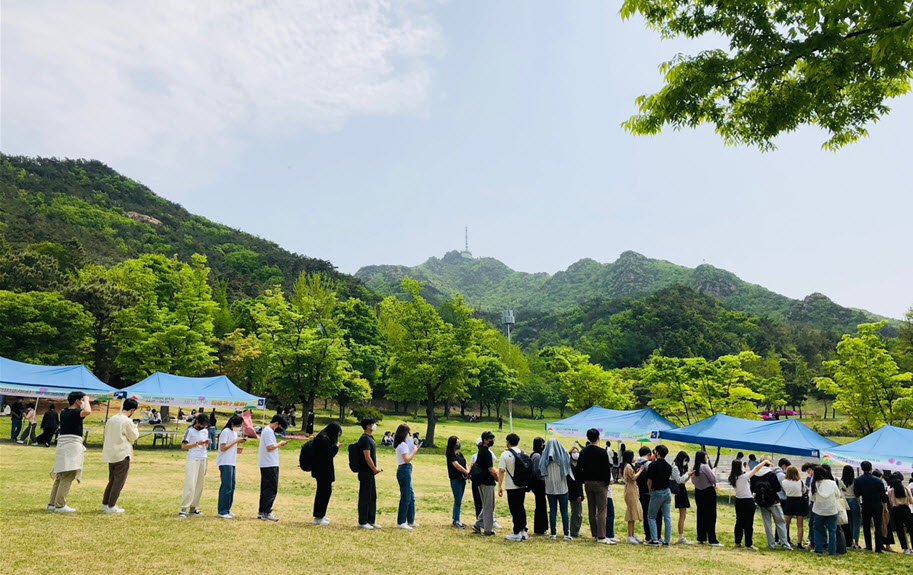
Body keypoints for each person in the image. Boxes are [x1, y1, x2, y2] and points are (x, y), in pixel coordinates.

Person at [47, 392, 92, 512]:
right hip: (71, 445)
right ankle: (60, 505)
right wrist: (86, 400)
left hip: (63, 444)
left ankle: (52, 503)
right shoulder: (75, 412)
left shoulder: (64, 411)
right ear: (78, 401)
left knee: (60, 475)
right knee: (68, 474)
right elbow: (87, 411)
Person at [100, 398, 140, 513]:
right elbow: (133, 437)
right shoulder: (127, 421)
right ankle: (111, 506)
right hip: (122, 453)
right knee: (119, 481)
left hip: (111, 453)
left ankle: (105, 504)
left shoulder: (111, 419)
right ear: (132, 410)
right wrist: (136, 429)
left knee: (112, 480)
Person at [576, 428, 613, 544]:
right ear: (598, 438)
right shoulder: (602, 452)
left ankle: (595, 533)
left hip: (588, 483)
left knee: (591, 509)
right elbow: (607, 469)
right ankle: (602, 536)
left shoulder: (584, 452)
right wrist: (607, 482)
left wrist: (583, 479)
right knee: (602, 510)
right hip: (600, 483)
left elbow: (578, 469)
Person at [751, 459, 791, 550]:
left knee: (767, 524)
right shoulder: (771, 475)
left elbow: (752, 488)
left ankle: (771, 544)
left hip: (761, 502)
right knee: (780, 522)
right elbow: (777, 488)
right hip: (774, 501)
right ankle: (784, 543)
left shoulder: (755, 475)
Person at [728, 458, 766, 550]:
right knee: (748, 523)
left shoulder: (732, 478)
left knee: (739, 522)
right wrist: (764, 462)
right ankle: (748, 544)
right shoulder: (743, 477)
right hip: (747, 501)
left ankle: (737, 541)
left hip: (739, 501)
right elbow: (756, 469)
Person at [178, 413, 210, 518]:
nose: (203, 426)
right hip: (193, 458)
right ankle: (183, 508)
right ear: (197, 421)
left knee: (199, 484)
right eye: (202, 424)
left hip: (203, 457)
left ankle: (193, 507)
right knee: (190, 483)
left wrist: (205, 443)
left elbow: (205, 444)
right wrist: (196, 443)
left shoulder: (205, 431)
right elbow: (184, 446)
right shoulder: (190, 431)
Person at [540, 437, 573, 540]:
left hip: (550, 488)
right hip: (562, 488)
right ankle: (566, 533)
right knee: (564, 511)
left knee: (552, 510)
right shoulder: (563, 457)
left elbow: (541, 470)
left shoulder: (544, 459)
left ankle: (553, 533)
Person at [498, 432, 528, 541]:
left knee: (514, 509)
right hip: (522, 485)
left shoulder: (505, 454)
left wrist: (499, 486)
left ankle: (516, 532)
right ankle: (523, 531)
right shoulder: (522, 453)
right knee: (521, 507)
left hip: (511, 485)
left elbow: (501, 471)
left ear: (508, 442)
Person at [216, 414, 246, 518]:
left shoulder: (234, 433)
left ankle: (227, 508)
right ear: (233, 423)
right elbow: (223, 447)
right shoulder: (225, 432)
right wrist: (236, 441)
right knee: (226, 486)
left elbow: (231, 446)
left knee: (232, 486)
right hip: (225, 462)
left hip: (232, 462)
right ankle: (222, 510)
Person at [310, 420, 340, 525]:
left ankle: (321, 515)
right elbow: (327, 455)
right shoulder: (324, 439)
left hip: (321, 470)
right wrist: (336, 447)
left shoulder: (321, 437)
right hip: (323, 471)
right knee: (323, 493)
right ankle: (318, 517)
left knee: (323, 492)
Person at [853, 460, 886, 553]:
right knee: (878, 526)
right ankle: (879, 547)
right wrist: (885, 506)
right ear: (871, 468)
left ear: (862, 469)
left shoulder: (858, 480)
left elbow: (856, 493)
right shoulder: (878, 480)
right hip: (877, 504)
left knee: (866, 526)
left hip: (866, 504)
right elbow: (883, 495)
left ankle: (869, 546)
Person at [691, 450, 722, 546]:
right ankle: (712, 539)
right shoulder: (705, 467)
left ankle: (701, 537)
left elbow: (693, 481)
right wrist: (713, 471)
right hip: (708, 492)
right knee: (711, 515)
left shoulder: (694, 467)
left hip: (698, 492)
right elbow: (713, 479)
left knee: (701, 514)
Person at [645, 444, 674, 546]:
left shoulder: (652, 465)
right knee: (667, 517)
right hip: (667, 492)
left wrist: (650, 491)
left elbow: (649, 481)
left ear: (657, 453)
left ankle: (654, 539)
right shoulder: (668, 466)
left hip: (657, 492)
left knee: (651, 516)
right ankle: (666, 540)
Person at [810, 465, 841, 555]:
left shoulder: (815, 484)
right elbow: (838, 495)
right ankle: (832, 551)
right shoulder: (832, 483)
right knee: (832, 531)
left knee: (818, 529)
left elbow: (812, 497)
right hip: (832, 509)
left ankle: (818, 549)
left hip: (819, 510)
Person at [472, 431, 498, 536]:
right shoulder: (486, 453)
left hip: (481, 481)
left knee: (487, 504)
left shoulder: (481, 451)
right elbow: (490, 469)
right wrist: (497, 478)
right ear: (485, 440)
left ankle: (478, 524)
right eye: (489, 439)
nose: (491, 441)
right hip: (487, 482)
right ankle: (487, 529)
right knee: (489, 506)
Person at [394, 423, 419, 529]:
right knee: (405, 496)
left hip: (406, 469)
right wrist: (414, 451)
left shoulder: (402, 444)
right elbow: (407, 459)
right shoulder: (402, 445)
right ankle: (401, 522)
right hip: (404, 469)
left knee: (411, 496)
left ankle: (410, 519)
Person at [635, 446, 660, 542]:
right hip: (649, 492)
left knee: (645, 514)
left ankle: (647, 536)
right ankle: (652, 535)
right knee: (652, 515)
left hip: (640, 492)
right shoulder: (649, 464)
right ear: (649, 454)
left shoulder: (636, 463)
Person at [782, 465, 808, 548]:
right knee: (800, 525)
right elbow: (804, 491)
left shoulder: (784, 482)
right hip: (799, 502)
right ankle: (799, 543)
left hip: (789, 501)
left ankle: (786, 541)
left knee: (786, 523)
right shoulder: (800, 482)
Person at [670, 450, 693, 544]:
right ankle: (680, 536)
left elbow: (683, 481)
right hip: (679, 491)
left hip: (682, 489)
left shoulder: (682, 468)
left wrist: (689, 476)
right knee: (682, 515)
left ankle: (681, 536)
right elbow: (679, 480)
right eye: (685, 460)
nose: (686, 462)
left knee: (683, 515)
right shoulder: (675, 467)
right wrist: (686, 475)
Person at [446, 435, 469, 529]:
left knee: (459, 499)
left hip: (462, 479)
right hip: (455, 479)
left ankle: (457, 518)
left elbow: (465, 463)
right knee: (457, 500)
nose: (458, 444)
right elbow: (456, 465)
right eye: (457, 442)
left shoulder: (460, 454)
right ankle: (456, 519)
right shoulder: (450, 454)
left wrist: (468, 472)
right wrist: (465, 471)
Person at [887, 472, 913, 555]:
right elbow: (911, 501)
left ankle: (906, 548)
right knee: (911, 529)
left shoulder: (891, 491)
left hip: (896, 510)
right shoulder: (906, 489)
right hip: (906, 509)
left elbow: (891, 502)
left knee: (900, 530)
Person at [622, 449, 644, 544]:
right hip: (630, 490)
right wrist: (640, 471)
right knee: (631, 512)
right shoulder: (628, 466)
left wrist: (637, 471)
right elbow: (633, 477)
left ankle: (632, 534)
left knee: (634, 512)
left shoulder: (630, 466)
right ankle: (629, 535)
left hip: (633, 489)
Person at [840, 465, 861, 550]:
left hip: (844, 501)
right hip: (854, 500)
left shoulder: (841, 481)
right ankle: (856, 542)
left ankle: (849, 541)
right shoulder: (855, 481)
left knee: (848, 522)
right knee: (856, 522)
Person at [529, 437, 548, 536]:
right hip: (539, 482)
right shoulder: (537, 456)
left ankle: (541, 527)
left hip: (539, 482)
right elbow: (535, 470)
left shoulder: (536, 455)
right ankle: (540, 528)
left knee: (541, 504)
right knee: (541, 505)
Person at [568, 445, 584, 538]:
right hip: (573, 492)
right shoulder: (569, 466)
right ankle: (574, 531)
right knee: (576, 512)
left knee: (578, 513)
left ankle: (576, 530)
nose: (576, 454)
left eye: (577, 452)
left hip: (579, 491)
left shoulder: (579, 465)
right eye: (574, 452)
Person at [604, 441, 618, 543]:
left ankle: (600, 533)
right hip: (607, 494)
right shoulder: (606, 469)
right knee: (610, 514)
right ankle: (609, 534)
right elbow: (611, 481)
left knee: (600, 514)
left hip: (598, 494)